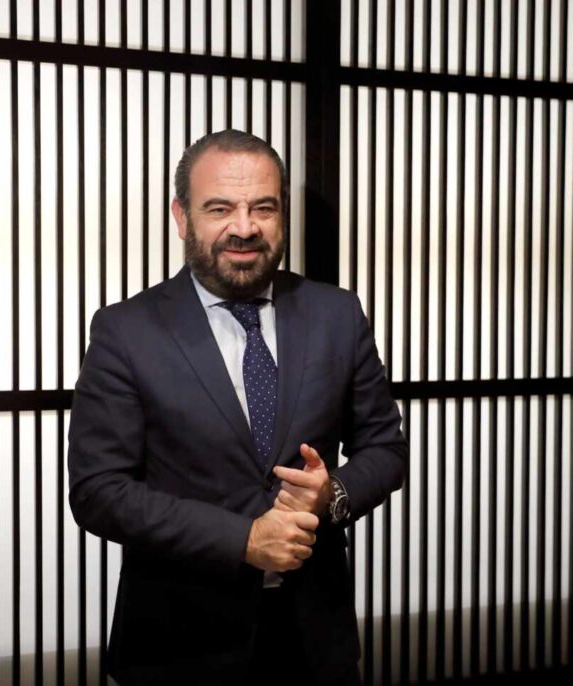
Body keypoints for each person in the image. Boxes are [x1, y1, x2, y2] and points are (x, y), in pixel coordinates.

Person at [67, 129, 407, 685]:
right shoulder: (126, 330)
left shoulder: (336, 314)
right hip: (177, 646)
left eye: (263, 208)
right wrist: (244, 540)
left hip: (314, 641)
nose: (244, 228)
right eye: (220, 208)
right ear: (182, 217)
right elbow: (98, 490)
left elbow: (385, 449)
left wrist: (332, 494)